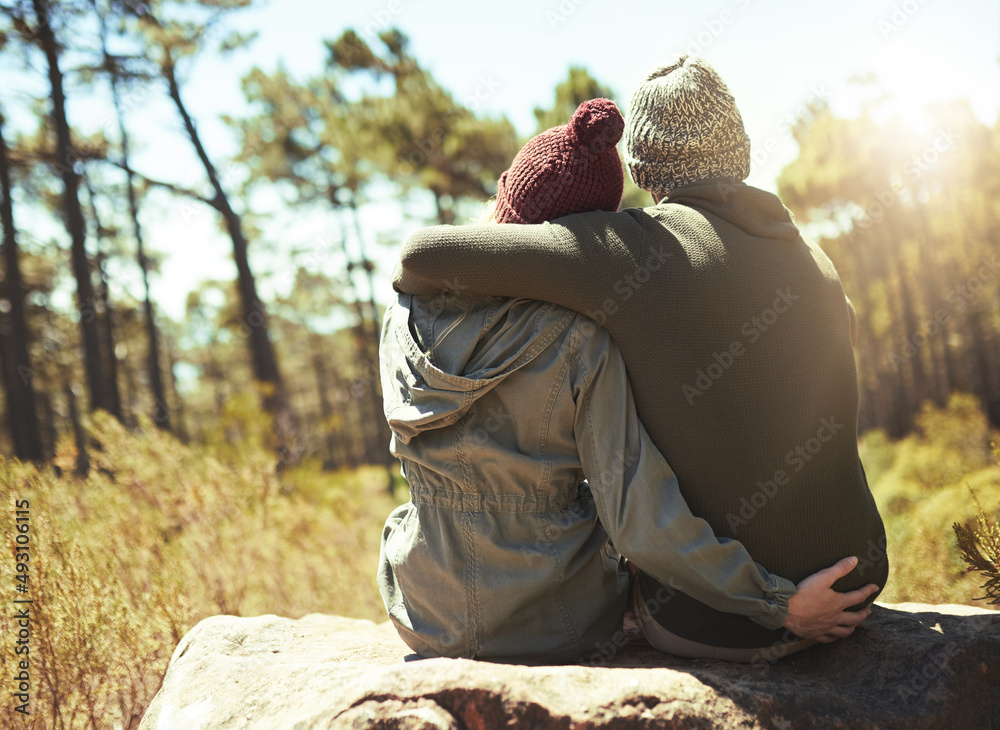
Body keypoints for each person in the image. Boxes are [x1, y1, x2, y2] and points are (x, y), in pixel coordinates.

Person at [393, 56, 888, 658]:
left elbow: (423, 255)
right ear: (747, 150)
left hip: (724, 625)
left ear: (646, 170)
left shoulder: (636, 249)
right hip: (853, 588)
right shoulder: (817, 264)